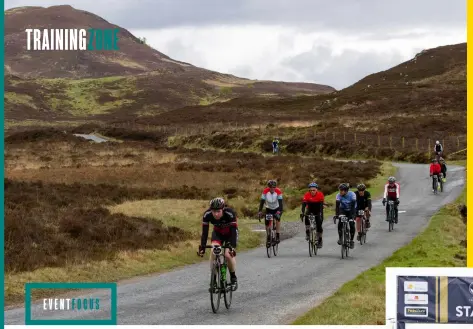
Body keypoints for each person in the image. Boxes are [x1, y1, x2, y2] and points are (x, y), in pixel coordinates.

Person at [198, 197, 238, 290]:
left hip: (230, 234)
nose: (216, 214)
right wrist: (202, 247)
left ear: (223, 209)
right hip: (218, 234)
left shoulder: (230, 213)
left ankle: (233, 278)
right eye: (213, 211)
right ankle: (213, 280)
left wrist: (232, 247)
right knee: (213, 252)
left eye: (218, 211)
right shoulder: (207, 215)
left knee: (228, 255)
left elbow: (233, 232)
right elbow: (205, 233)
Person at [258, 179, 284, 245]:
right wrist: (260, 211)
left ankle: (277, 235)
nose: (272, 189)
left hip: (277, 208)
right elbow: (262, 202)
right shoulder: (265, 192)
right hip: (268, 208)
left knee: (278, 219)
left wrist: (279, 212)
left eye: (274, 187)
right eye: (271, 187)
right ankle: (268, 236)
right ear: (268, 187)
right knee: (267, 223)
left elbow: (281, 203)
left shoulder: (278, 191)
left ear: (275, 187)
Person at [300, 182, 325, 247]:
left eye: (314, 190)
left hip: (318, 210)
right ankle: (307, 232)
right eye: (310, 190)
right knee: (306, 216)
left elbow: (321, 207)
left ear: (316, 189)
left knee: (319, 225)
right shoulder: (307, 195)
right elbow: (303, 205)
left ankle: (320, 239)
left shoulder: (320, 194)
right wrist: (302, 213)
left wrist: (321, 215)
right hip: (310, 209)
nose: (312, 191)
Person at [333, 183, 356, 249]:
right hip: (342, 209)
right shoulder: (338, 195)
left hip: (352, 209)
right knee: (340, 221)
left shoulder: (352, 195)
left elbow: (353, 206)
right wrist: (337, 215)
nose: (340, 192)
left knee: (351, 223)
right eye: (340, 190)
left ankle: (351, 240)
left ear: (346, 191)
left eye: (342, 190)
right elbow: (337, 207)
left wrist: (352, 217)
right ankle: (340, 238)